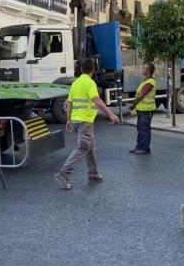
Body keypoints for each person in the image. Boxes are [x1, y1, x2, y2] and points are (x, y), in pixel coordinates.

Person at [54, 58, 120, 190]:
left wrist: (68, 120)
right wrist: (110, 114)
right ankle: (63, 173)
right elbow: (97, 100)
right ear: (93, 70)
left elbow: (69, 102)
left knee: (90, 148)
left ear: (81, 69)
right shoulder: (90, 83)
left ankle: (93, 174)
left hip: (77, 120)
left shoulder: (76, 83)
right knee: (83, 148)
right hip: (85, 121)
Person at [129, 62, 156, 155]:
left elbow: (141, 95)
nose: (142, 69)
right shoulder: (146, 81)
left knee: (144, 129)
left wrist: (133, 104)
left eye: (144, 68)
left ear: (148, 71)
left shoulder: (150, 82)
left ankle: (145, 148)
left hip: (147, 110)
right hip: (142, 109)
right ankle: (139, 146)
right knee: (140, 128)